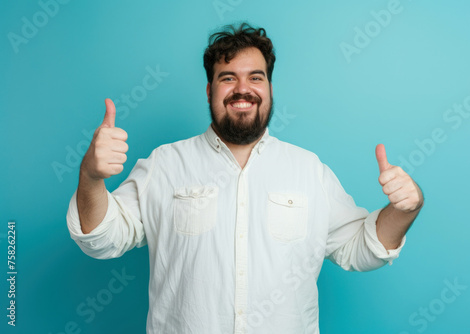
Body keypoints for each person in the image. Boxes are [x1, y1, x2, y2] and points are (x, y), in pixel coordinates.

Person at [67, 23, 423, 334]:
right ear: (210, 91)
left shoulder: (309, 169)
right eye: (228, 78)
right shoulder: (164, 164)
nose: (243, 89)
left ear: (268, 88)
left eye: (255, 77)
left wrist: (405, 209)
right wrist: (91, 176)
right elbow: (101, 240)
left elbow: (361, 247)